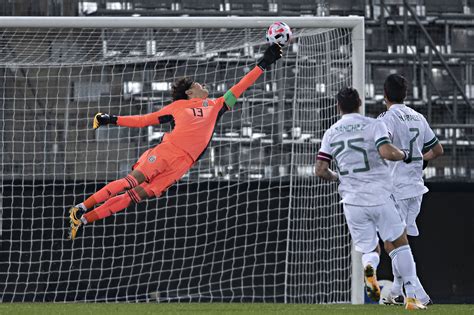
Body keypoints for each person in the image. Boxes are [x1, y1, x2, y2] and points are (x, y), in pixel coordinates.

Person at [68, 43, 283, 240]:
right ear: (189, 92)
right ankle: (82, 206)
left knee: (132, 197)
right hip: (167, 151)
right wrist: (113, 119)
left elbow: (241, 85)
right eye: (198, 84)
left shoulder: (217, 105)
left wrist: (264, 63)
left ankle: (84, 219)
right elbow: (144, 120)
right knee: (130, 182)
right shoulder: (178, 107)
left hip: (182, 165)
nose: (203, 84)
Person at [315, 87, 427, 310]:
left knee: (370, 250)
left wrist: (337, 176)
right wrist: (403, 154)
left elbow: (320, 169)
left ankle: (369, 269)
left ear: (338, 107)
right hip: (379, 196)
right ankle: (413, 297)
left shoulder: (332, 132)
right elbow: (386, 152)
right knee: (400, 243)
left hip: (352, 201)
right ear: (359, 103)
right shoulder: (373, 125)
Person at [377, 74, 444, 306]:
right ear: (405, 94)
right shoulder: (418, 117)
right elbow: (437, 150)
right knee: (399, 241)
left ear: (384, 95)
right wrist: (420, 161)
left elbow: (383, 149)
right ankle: (396, 291)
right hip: (415, 188)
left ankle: (417, 293)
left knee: (391, 242)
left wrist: (401, 157)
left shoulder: (387, 118)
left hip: (395, 188)